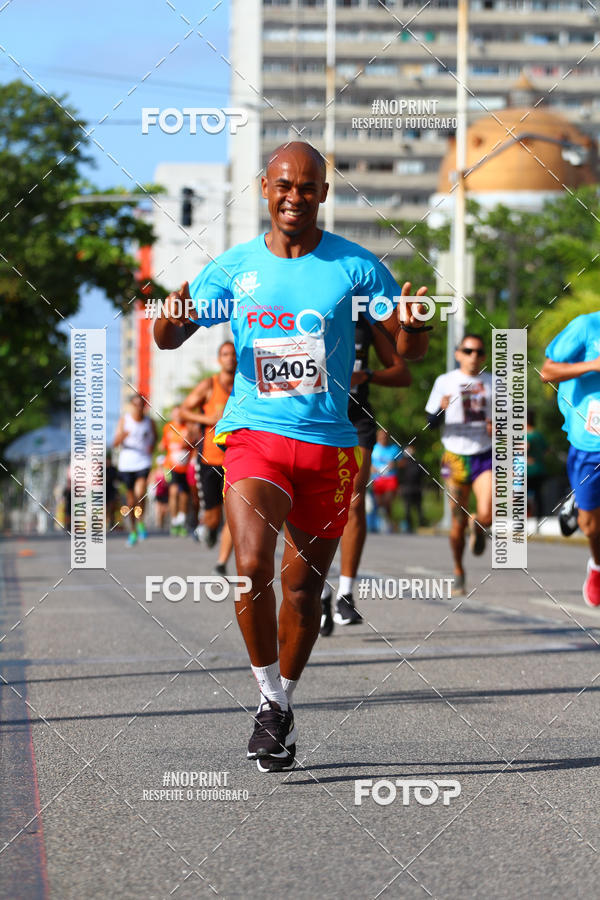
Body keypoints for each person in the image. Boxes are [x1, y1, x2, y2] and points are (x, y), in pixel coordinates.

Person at [154, 141, 429, 772]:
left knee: (303, 590)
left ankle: (286, 704)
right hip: (254, 436)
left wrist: (414, 327)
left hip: (330, 446)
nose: (294, 196)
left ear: (323, 193)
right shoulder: (234, 267)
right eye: (283, 184)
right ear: (264, 188)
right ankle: (268, 701)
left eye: (307, 187)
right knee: (252, 564)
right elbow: (170, 336)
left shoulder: (357, 269)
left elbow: (404, 354)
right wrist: (169, 313)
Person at [319, 315, 411, 635]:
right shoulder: (304, 314)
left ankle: (345, 592)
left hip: (357, 419)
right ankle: (319, 588)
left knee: (354, 500)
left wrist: (367, 374)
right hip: (311, 420)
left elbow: (402, 373)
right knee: (310, 504)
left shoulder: (365, 324)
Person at [425, 334, 493, 596]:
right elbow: (430, 423)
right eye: (468, 351)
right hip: (453, 457)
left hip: (484, 454)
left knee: (487, 513)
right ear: (458, 354)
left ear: (484, 356)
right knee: (456, 522)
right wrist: (440, 410)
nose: (473, 356)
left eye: (478, 352)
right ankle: (458, 570)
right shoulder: (445, 382)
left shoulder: (494, 383)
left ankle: (478, 524)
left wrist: (496, 426)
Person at [540, 312, 600, 607]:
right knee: (591, 526)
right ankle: (597, 567)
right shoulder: (587, 326)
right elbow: (547, 371)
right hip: (591, 441)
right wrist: (593, 365)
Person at [181, 340, 237, 574]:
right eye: (225, 354)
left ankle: (221, 563)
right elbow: (183, 410)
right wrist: (208, 419)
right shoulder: (209, 385)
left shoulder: (245, 384)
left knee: (235, 515)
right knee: (214, 518)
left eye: (233, 354)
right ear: (219, 359)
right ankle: (210, 529)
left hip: (237, 459)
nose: (230, 358)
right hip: (209, 460)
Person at [113, 393, 157, 546]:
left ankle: (140, 522)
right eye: (136, 404)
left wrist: (151, 447)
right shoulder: (125, 420)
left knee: (140, 494)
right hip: (127, 464)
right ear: (132, 405)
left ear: (145, 406)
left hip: (143, 462)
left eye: (142, 404)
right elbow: (115, 443)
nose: (139, 407)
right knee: (131, 501)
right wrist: (123, 436)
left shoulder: (149, 422)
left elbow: (155, 437)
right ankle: (132, 531)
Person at [161, 406, 194, 535]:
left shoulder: (188, 427)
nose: (178, 416)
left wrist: (186, 441)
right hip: (171, 465)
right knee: (173, 491)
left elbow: (193, 442)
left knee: (185, 495)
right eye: (175, 414)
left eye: (180, 414)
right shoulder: (168, 427)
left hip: (185, 467)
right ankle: (174, 521)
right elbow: (164, 444)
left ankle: (182, 520)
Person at [371, 428, 402, 532]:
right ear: (378, 437)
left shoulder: (394, 449)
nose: (383, 439)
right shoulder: (373, 449)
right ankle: (382, 522)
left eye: (385, 437)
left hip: (390, 478)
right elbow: (367, 463)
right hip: (378, 479)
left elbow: (402, 462)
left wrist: (395, 464)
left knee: (388, 501)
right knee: (379, 502)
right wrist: (373, 468)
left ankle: (389, 521)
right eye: (381, 437)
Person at [526, 410, 548, 520]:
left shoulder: (526, 436)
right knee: (538, 495)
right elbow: (546, 451)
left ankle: (524, 518)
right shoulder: (538, 435)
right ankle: (539, 518)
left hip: (528, 470)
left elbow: (523, 448)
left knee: (522, 495)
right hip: (540, 469)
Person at [399, 442, 425, 533]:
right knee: (407, 509)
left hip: (417, 488)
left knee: (419, 508)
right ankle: (408, 525)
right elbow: (400, 476)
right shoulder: (402, 463)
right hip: (406, 489)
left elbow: (422, 475)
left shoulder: (418, 462)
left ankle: (421, 524)